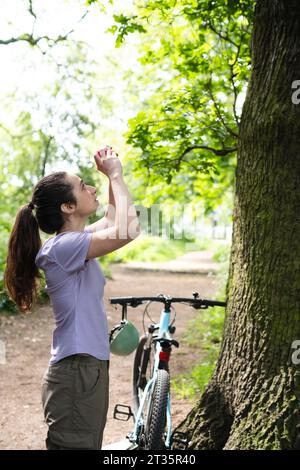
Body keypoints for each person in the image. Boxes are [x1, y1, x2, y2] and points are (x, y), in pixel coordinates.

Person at [4, 146, 140, 450]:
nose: (90, 188)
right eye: (83, 186)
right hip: (77, 370)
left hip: (85, 368)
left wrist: (110, 177)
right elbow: (128, 229)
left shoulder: (74, 243)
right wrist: (116, 174)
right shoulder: (61, 249)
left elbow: (115, 219)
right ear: (67, 206)